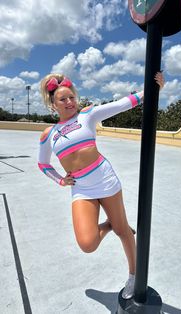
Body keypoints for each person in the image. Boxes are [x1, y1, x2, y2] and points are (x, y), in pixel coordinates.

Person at [38, 72, 164, 299]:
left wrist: (154, 88)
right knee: (87, 243)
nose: (69, 102)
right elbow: (43, 164)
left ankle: (134, 276)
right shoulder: (49, 134)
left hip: (105, 180)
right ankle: (109, 224)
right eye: (63, 99)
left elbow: (124, 104)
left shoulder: (88, 114)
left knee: (123, 231)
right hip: (81, 189)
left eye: (71, 97)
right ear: (53, 105)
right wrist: (60, 179)